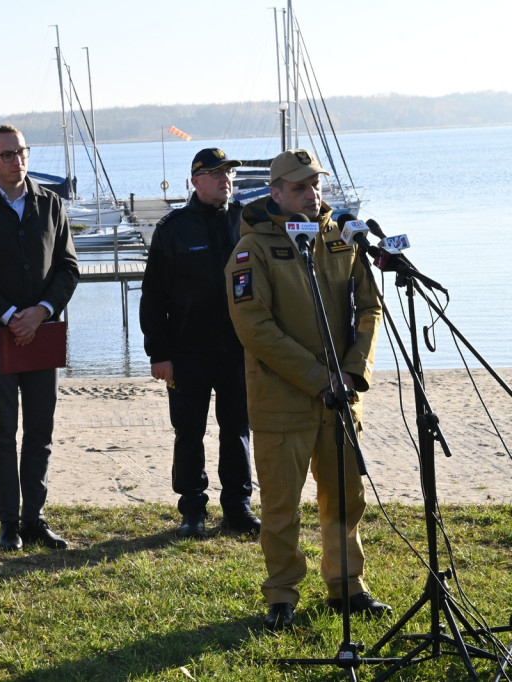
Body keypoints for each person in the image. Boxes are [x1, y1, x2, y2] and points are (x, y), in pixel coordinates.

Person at [225, 149, 388, 631]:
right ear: (275, 193)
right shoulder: (250, 250)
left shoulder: (341, 238)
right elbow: (255, 327)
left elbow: (369, 308)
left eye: (315, 184)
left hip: (340, 398)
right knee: (280, 506)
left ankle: (346, 585)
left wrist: (354, 371)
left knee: (345, 497)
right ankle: (282, 595)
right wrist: (320, 377)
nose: (311, 194)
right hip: (283, 401)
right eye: (299, 187)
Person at [0, 124, 80, 551]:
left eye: (20, 151)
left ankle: (34, 518)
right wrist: (8, 316)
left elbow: (68, 267)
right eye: (5, 154)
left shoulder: (50, 203)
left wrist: (41, 313)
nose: (15, 160)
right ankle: (8, 521)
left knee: (40, 431)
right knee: (2, 433)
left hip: (42, 336)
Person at [139, 148, 259, 540]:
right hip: (188, 351)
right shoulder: (174, 227)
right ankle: (192, 509)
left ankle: (238, 507)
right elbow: (153, 294)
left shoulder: (246, 220)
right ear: (195, 181)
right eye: (215, 173)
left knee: (237, 429)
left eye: (228, 172)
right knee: (189, 431)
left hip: (238, 349)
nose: (225, 178)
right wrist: (159, 353)